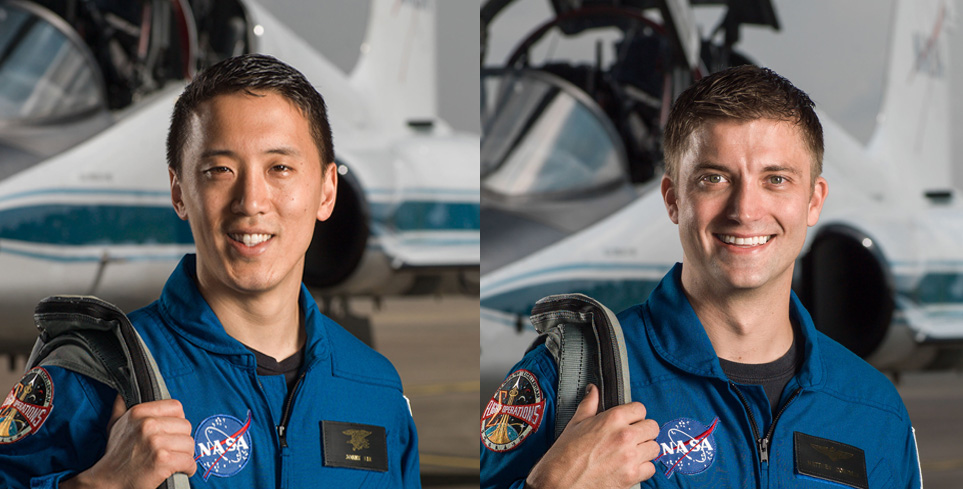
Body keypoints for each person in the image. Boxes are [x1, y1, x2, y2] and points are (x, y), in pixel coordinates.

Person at [480, 65, 922, 488]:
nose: (745, 210)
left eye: (776, 180)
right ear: (673, 198)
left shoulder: (874, 412)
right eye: (714, 178)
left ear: (813, 201)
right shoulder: (569, 382)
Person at [0, 54, 420, 488]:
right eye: (220, 170)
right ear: (179, 192)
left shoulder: (375, 388)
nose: (251, 201)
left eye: (280, 168)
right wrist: (101, 484)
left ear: (327, 191)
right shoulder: (94, 377)